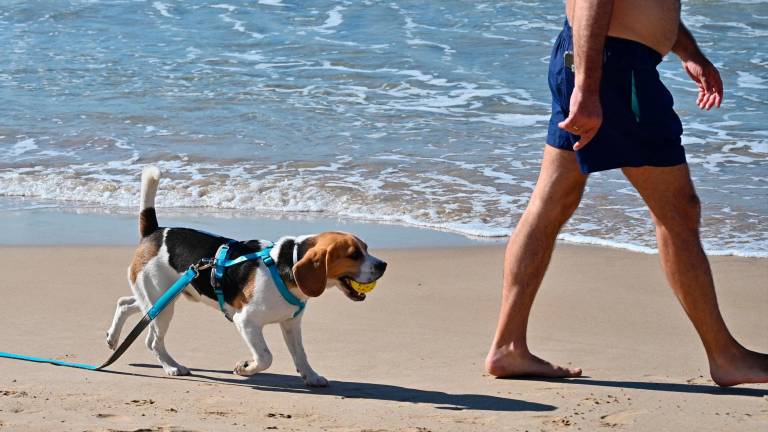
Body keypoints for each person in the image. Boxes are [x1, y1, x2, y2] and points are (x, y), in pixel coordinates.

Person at [485, 0, 768, 386]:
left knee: (552, 201)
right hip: (612, 70)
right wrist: (587, 87)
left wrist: (689, 52)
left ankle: (508, 348)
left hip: (595, 60)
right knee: (678, 211)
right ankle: (726, 356)